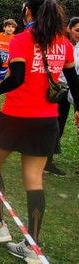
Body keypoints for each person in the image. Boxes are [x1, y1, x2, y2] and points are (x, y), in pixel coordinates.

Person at [0, 0, 79, 263]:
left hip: (17, 116)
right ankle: (31, 244)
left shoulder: (21, 40)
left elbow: (17, 78)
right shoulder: (64, 44)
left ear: (29, 11)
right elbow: (74, 82)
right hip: (47, 120)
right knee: (34, 180)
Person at [44, 16, 79, 176]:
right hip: (55, 90)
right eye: (77, 30)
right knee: (51, 125)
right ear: (68, 29)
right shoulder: (60, 44)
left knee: (59, 127)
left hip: (70, 92)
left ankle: (47, 161)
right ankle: (43, 160)